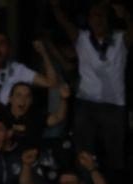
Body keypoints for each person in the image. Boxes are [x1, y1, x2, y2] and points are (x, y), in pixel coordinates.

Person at [51, 0, 131, 172]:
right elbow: (64, 22)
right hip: (86, 104)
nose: (98, 19)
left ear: (109, 19)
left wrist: (125, 16)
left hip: (114, 106)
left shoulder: (120, 38)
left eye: (102, 15)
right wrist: (56, 6)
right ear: (88, 19)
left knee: (114, 156)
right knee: (84, 153)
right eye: (94, 15)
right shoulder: (82, 38)